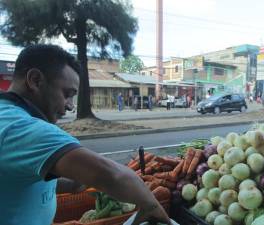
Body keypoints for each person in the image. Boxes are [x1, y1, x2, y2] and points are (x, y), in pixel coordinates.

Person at [0, 45, 170, 225]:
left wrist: (75, 182)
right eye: (67, 94)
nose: (70, 106)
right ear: (35, 80)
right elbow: (112, 175)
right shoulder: (18, 127)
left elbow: (22, 178)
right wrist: (152, 207)